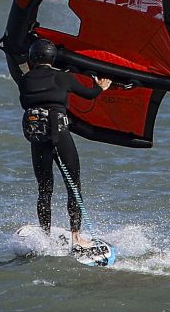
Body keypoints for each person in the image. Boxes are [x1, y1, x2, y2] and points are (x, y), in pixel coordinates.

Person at [12, 37, 112, 250]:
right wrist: (101, 87)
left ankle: (45, 237)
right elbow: (89, 94)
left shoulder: (25, 80)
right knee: (73, 185)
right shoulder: (62, 77)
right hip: (60, 136)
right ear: (53, 57)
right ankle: (77, 236)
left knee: (44, 188)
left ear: (32, 58)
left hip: (38, 138)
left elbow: (16, 66)